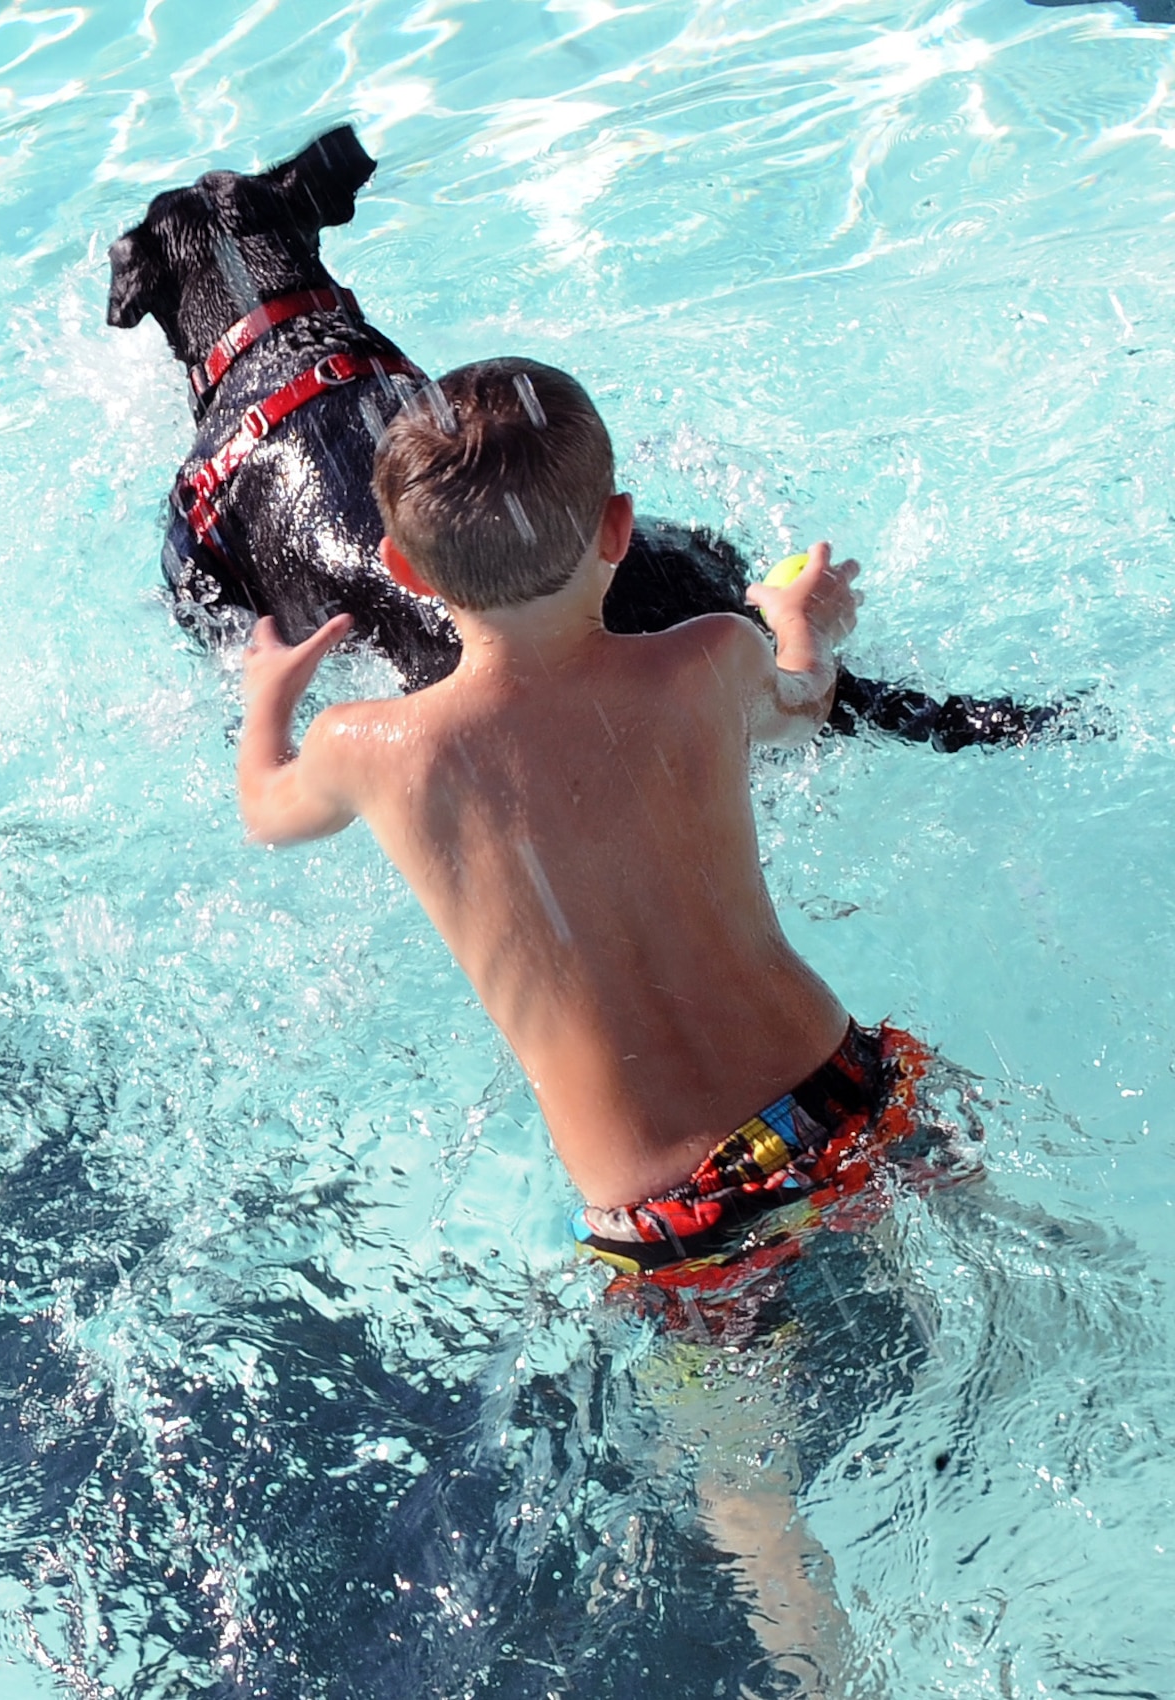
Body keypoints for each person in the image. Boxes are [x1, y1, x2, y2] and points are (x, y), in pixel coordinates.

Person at [237, 356, 935, 1279]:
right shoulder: (711, 658)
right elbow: (806, 706)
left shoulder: (369, 749)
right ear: (618, 528)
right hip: (840, 1097)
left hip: (669, 1212)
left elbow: (265, 811)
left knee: (738, 1377)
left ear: (402, 569)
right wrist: (803, 619)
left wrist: (266, 701)